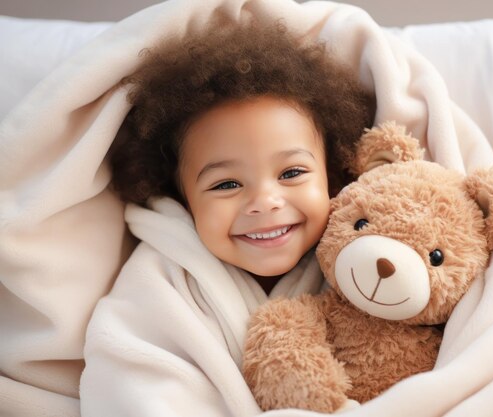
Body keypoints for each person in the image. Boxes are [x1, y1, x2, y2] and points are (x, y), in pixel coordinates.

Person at [80, 18, 375, 416]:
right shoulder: (160, 283)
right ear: (182, 196)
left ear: (331, 173)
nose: (265, 201)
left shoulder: (361, 254)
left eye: (291, 173)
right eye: (225, 185)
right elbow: (133, 382)